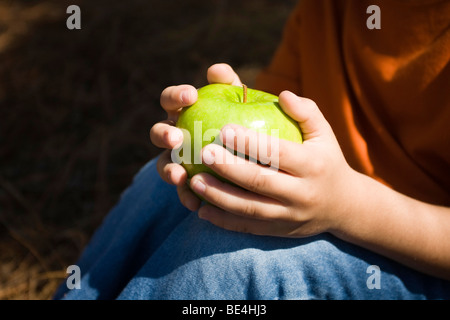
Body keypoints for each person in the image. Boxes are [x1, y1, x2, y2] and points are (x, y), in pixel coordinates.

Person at [54, 0, 450, 299]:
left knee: (235, 259)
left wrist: (347, 206)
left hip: (422, 260)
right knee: (164, 186)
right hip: (328, 204)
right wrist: (207, 140)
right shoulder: (330, 8)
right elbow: (272, 103)